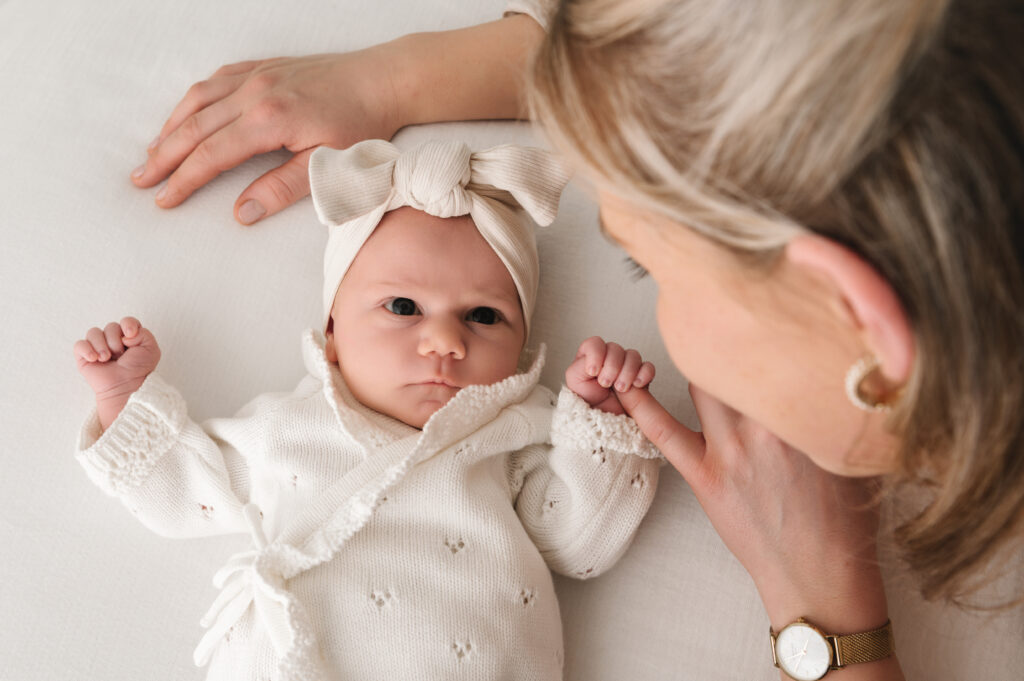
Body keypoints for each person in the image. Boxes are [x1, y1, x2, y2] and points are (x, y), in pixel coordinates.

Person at [128, 0, 1024, 679]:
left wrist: (832, 628)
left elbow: (572, 527)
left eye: (651, 269)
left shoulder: (509, 428)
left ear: (862, 323)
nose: (441, 340)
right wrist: (398, 82)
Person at [75, 139, 664, 680]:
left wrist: (601, 427)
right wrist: (122, 398)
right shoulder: (285, 428)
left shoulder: (516, 432)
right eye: (403, 306)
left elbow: (577, 546)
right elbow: (182, 490)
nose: (446, 342)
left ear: (520, 350)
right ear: (331, 334)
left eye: (483, 317)